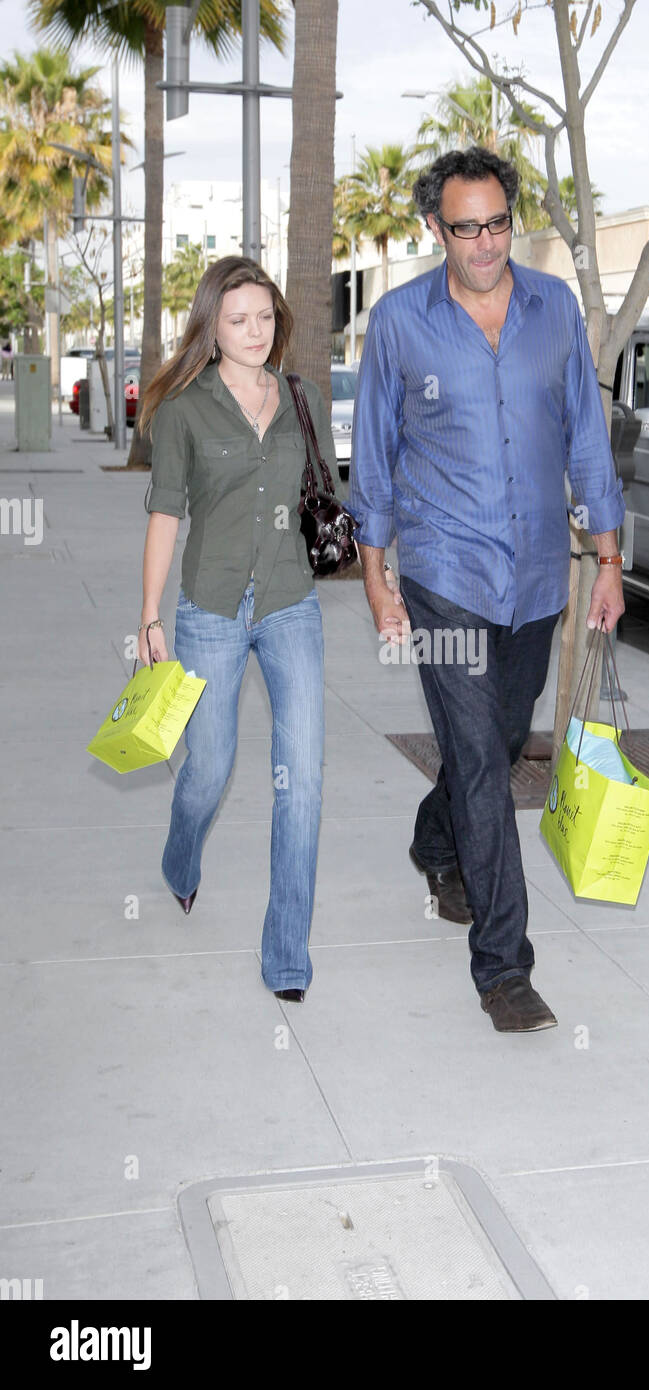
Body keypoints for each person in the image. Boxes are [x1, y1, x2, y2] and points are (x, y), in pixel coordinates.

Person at [349, 147, 625, 1034]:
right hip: (444, 571)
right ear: (436, 228)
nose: (484, 243)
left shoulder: (553, 311)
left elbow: (585, 432)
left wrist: (611, 560)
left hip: (539, 567)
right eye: (465, 227)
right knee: (478, 761)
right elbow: (378, 454)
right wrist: (376, 575)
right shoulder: (399, 322)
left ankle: (437, 844)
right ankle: (505, 971)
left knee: (502, 740)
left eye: (498, 223)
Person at [137, 256, 337, 1003]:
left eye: (264, 317)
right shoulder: (185, 410)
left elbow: (326, 491)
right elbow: (165, 514)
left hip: (290, 603)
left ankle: (287, 955)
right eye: (237, 319)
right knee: (209, 771)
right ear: (211, 327)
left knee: (304, 782)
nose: (255, 332)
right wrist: (149, 613)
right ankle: (180, 858)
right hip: (211, 608)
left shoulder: (303, 397)